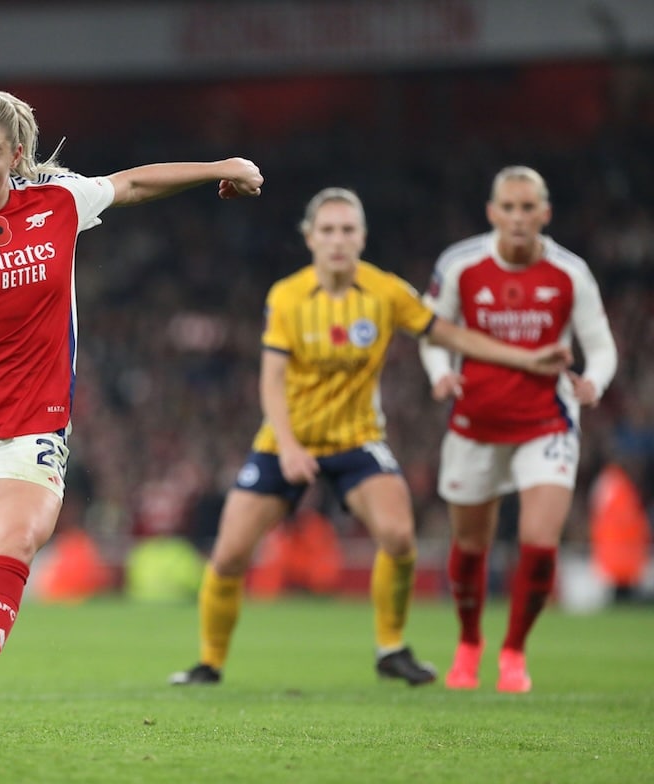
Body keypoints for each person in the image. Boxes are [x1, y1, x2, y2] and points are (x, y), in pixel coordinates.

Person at [0, 89, 265, 743]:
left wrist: (220, 167)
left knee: (12, 544)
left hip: (27, 425)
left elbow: (133, 185)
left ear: (17, 156)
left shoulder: (57, 199)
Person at [170, 187, 571, 688]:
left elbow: (451, 335)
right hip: (286, 441)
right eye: (328, 230)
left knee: (399, 536)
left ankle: (391, 649)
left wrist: (526, 358)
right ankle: (209, 663)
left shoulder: (385, 292)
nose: (338, 240)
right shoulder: (288, 296)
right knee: (229, 554)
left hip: (357, 440)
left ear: (361, 237)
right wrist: (290, 446)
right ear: (310, 237)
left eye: (347, 230)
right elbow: (271, 380)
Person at [419, 166, 617, 693]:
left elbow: (601, 346)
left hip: (546, 423)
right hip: (475, 422)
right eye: (509, 207)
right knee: (470, 544)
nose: (518, 217)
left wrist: (593, 382)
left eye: (529, 208)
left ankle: (513, 652)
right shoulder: (460, 265)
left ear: (545, 214)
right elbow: (429, 332)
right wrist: (440, 376)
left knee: (539, 542)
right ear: (492, 212)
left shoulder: (570, 273)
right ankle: (469, 643)